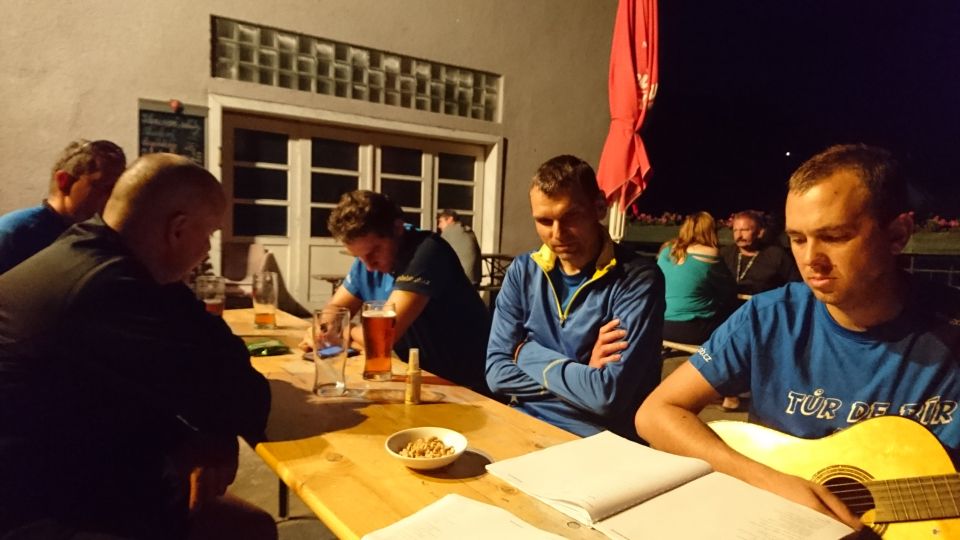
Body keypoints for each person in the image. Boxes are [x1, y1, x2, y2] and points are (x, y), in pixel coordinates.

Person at [635, 144, 960, 530]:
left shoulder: (949, 328)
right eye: (798, 239)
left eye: (834, 236)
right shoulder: (771, 317)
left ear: (897, 234)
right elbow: (655, 414)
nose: (810, 260)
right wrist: (768, 481)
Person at [0, 154, 276, 540]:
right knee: (246, 531)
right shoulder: (111, 289)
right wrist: (213, 428)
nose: (205, 251)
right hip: (35, 507)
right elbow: (243, 399)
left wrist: (195, 436)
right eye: (209, 234)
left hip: (69, 468)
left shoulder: (84, 251)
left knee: (248, 526)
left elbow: (135, 388)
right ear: (177, 230)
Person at [486, 155, 665, 441]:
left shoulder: (637, 278)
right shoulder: (523, 271)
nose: (557, 234)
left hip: (598, 438)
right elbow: (496, 374)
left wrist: (525, 353)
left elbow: (606, 396)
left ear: (599, 207)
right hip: (522, 421)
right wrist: (581, 374)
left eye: (571, 216)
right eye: (544, 221)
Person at [310, 190, 490, 393]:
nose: (368, 266)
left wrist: (342, 331)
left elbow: (382, 337)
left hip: (469, 384)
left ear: (397, 228)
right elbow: (337, 306)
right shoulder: (367, 260)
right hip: (421, 378)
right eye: (359, 257)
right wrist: (325, 328)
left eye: (374, 252)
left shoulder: (427, 252)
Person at [0, 138, 127, 275]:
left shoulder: (102, 237)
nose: (112, 198)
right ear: (64, 181)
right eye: (105, 187)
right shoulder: (13, 234)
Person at [656, 211, 735, 345]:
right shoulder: (710, 253)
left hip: (660, 325)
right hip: (692, 330)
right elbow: (728, 290)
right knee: (733, 315)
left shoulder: (666, 250)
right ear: (711, 230)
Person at [720, 209, 800, 296]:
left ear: (760, 232)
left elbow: (796, 286)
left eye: (745, 230)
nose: (739, 236)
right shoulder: (725, 254)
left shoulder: (776, 256)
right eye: (735, 230)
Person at [437, 209, 482, 286]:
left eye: (441, 221)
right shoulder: (468, 230)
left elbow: (436, 253)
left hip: (459, 281)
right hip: (474, 279)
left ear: (450, 219)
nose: (439, 226)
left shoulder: (449, 231)